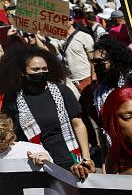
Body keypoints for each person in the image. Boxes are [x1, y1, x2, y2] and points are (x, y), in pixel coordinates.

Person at [0, 47, 94, 178]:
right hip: (35, 163)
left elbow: (78, 124)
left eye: (44, 69)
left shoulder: (62, 91)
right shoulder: (13, 99)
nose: (41, 72)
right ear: (23, 72)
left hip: (69, 161)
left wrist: (86, 157)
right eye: (36, 69)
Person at [52, 21, 96, 93]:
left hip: (86, 79)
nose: (61, 22)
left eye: (64, 19)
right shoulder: (58, 39)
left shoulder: (84, 36)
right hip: (69, 82)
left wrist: (94, 80)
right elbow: (48, 50)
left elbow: (93, 61)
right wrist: (37, 36)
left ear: (71, 21)